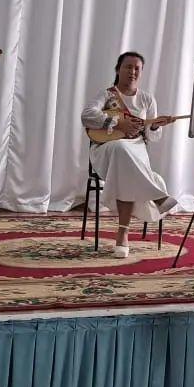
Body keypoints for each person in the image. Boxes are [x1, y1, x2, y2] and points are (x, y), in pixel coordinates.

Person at [81, 51, 178, 258]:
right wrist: (118, 123)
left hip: (136, 151)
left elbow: (152, 137)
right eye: (128, 67)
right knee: (120, 148)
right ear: (118, 69)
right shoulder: (107, 95)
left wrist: (154, 126)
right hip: (105, 150)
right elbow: (87, 116)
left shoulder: (147, 99)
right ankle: (158, 196)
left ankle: (123, 234)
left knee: (125, 158)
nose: (132, 71)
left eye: (137, 68)